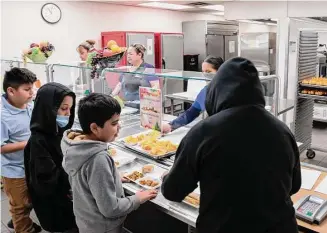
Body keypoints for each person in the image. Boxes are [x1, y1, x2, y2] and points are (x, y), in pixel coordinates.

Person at [161, 57, 301, 233]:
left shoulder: (203, 132)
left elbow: (173, 191)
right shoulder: (283, 131)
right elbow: (294, 186)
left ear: (217, 90)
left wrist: (166, 177)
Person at [62, 93, 158, 233]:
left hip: (87, 222)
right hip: (104, 227)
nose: (119, 127)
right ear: (95, 128)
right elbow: (110, 209)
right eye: (114, 123)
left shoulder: (75, 145)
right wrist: (137, 198)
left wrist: (113, 178)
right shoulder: (97, 158)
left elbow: (86, 181)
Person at [24, 82, 77, 232]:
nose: (68, 113)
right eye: (63, 109)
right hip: (54, 207)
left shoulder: (57, 131)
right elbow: (47, 182)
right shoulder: (38, 141)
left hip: (65, 200)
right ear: (48, 110)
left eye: (70, 109)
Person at [1, 68, 42, 233]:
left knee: (27, 200)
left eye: (32, 88)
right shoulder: (2, 116)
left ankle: (19, 220)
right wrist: (29, 143)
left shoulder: (27, 104)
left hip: (30, 163)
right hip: (14, 170)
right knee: (20, 206)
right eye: (27, 89)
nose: (32, 92)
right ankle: (23, 228)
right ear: (11, 91)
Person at [162, 56, 224, 133]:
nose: (205, 75)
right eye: (203, 72)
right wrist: (170, 126)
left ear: (220, 71)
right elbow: (191, 113)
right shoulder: (206, 91)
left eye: (208, 72)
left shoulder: (229, 91)